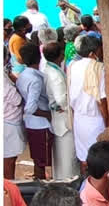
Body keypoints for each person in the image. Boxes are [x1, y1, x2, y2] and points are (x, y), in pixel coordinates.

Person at [68, 35, 108, 170]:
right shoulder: (98, 68)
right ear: (93, 52)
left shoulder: (73, 65)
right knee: (98, 159)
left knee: (83, 157)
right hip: (95, 120)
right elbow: (101, 100)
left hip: (79, 118)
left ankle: (84, 185)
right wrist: (108, 123)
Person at [41, 43, 79, 179]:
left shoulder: (48, 69)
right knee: (67, 157)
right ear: (60, 55)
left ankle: (61, 180)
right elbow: (61, 99)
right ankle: (68, 183)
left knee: (60, 157)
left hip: (58, 119)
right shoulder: (55, 75)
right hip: (63, 121)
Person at [16, 44, 53, 179]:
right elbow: (31, 107)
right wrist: (47, 114)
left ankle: (40, 179)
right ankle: (41, 183)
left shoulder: (23, 75)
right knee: (42, 159)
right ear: (39, 57)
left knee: (38, 158)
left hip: (31, 123)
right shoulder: (36, 79)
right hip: (41, 124)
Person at [4, 70, 25, 179]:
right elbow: (17, 100)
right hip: (8, 123)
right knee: (9, 159)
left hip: (9, 122)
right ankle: (8, 188)